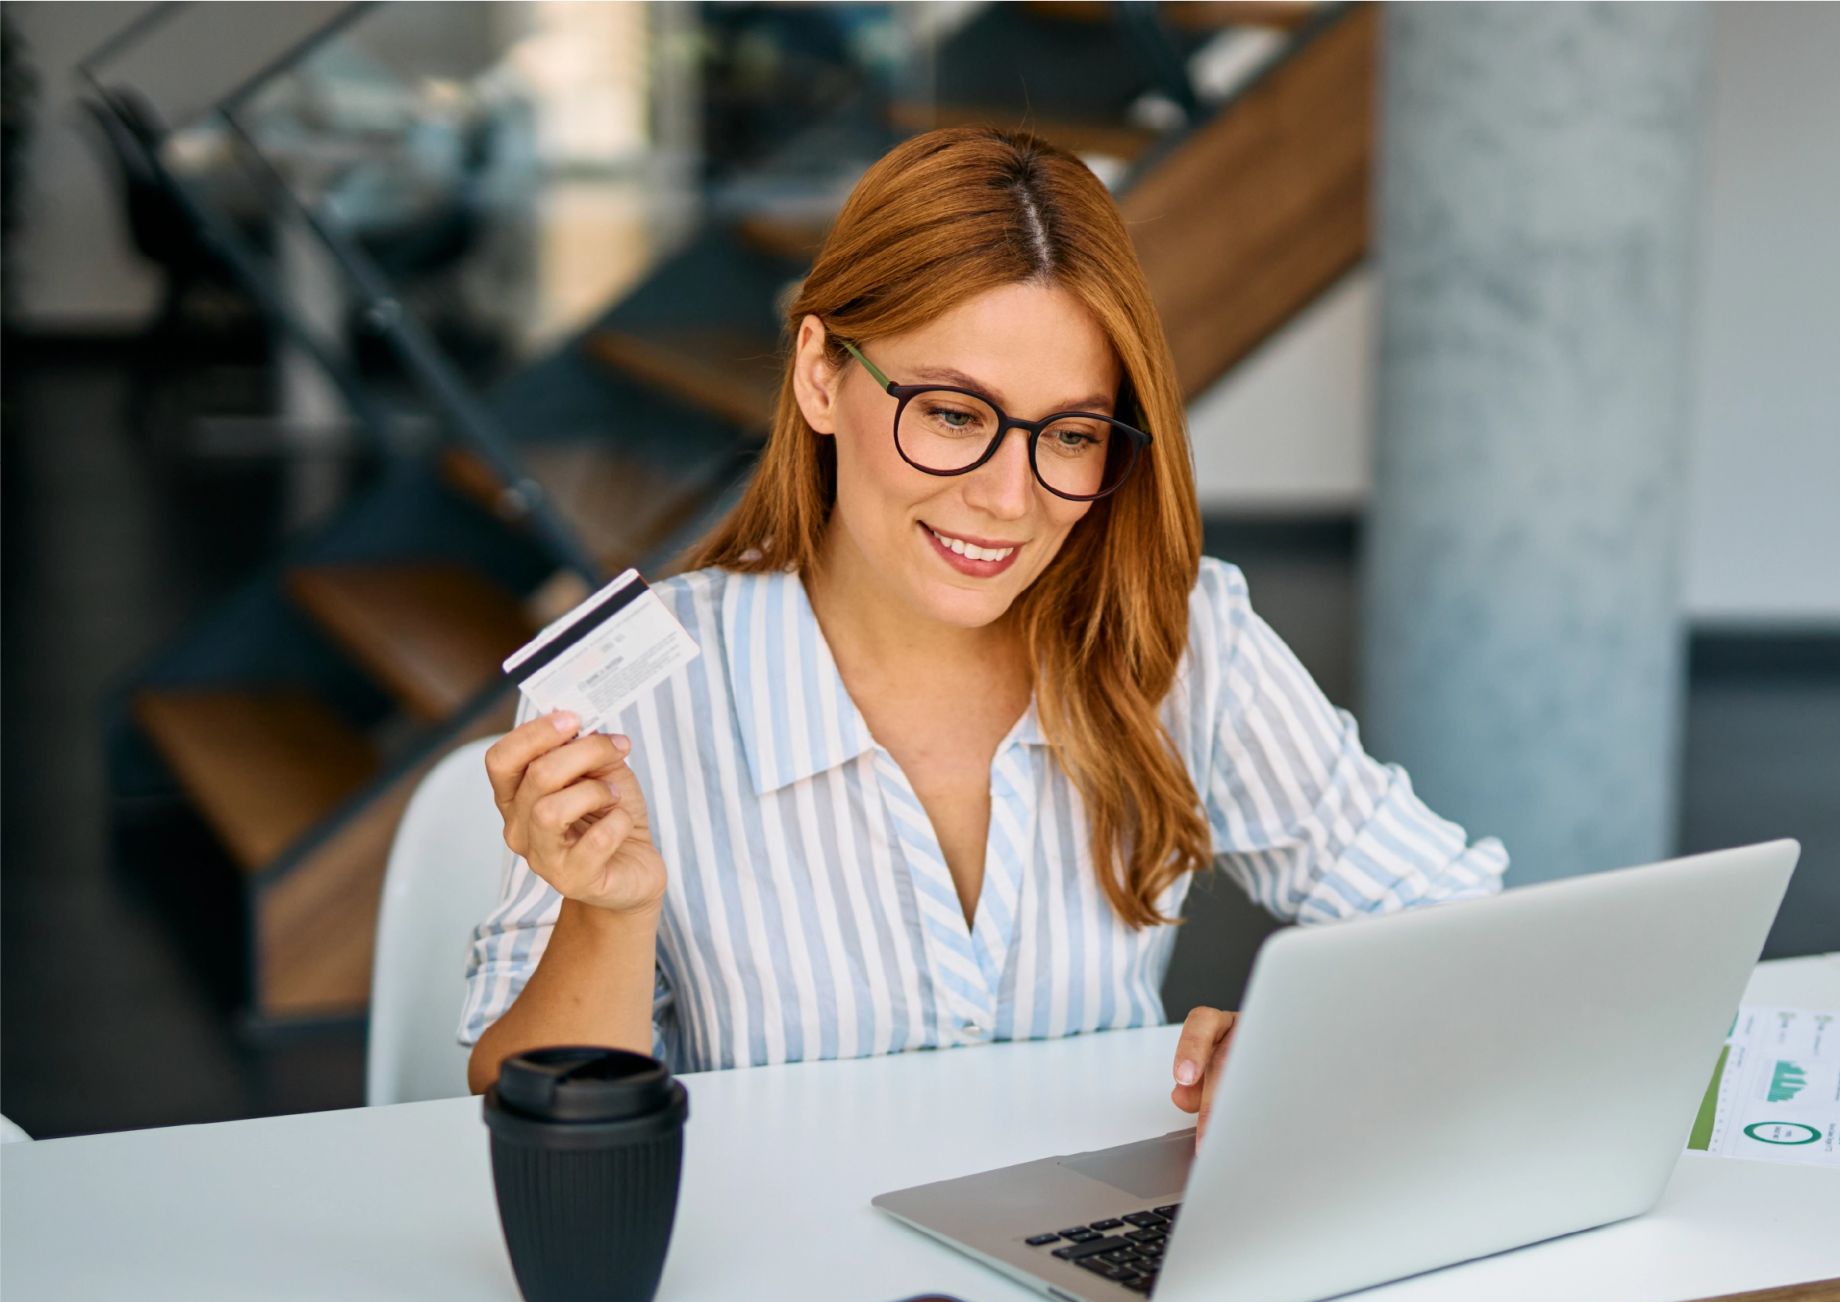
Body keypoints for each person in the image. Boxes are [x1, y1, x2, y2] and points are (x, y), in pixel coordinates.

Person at [461, 128, 1504, 1133]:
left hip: (1083, 1279)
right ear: (820, 373)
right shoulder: (639, 689)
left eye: (1072, 434)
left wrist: (1307, 1038)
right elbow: (515, 1102)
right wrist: (607, 916)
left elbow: (1459, 926)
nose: (1010, 499)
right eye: (954, 415)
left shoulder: (1177, 641)